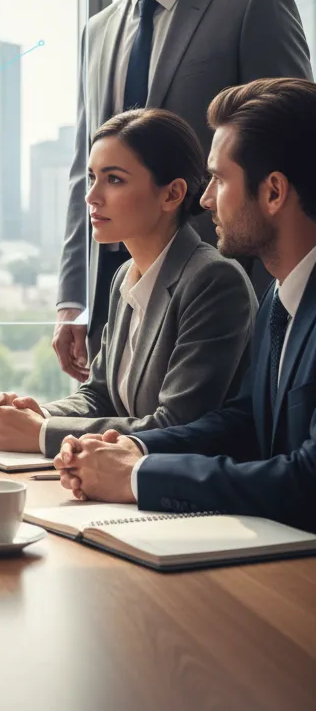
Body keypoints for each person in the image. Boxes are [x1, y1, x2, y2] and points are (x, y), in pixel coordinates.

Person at [54, 0, 311, 384]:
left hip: (233, 297)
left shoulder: (251, 4)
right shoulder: (97, 31)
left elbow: (298, 144)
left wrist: (284, 303)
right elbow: (85, 166)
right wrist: (74, 297)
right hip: (122, 299)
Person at [54, 78, 316, 534]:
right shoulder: (281, 295)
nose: (206, 198)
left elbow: (308, 480)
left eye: (218, 179)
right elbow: (243, 422)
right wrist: (134, 449)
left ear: (273, 192)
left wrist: (137, 476)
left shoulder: (221, 281)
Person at [0, 109, 255, 456]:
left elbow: (176, 424)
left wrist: (42, 432)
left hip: (181, 491)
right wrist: (34, 415)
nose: (92, 196)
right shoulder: (125, 275)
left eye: (114, 179)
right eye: (91, 177)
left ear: (172, 194)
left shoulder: (212, 281)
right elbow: (100, 395)